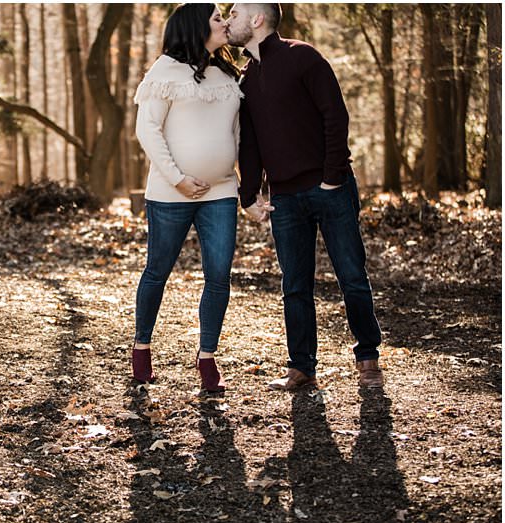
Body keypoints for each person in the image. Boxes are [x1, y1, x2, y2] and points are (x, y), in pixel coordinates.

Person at [225, 4, 384, 392]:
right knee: (295, 285)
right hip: (285, 199)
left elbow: (335, 116)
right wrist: (249, 195)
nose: (228, 19)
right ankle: (301, 368)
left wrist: (332, 176)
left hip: (330, 189)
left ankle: (368, 359)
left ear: (257, 19)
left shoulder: (303, 57)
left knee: (351, 276)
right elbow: (250, 145)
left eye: (234, 11)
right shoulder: (245, 80)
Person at [129, 3, 243, 395]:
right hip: (170, 193)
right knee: (157, 270)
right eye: (217, 18)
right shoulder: (164, 71)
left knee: (218, 274)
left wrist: (243, 181)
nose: (225, 23)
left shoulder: (227, 72)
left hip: (221, 191)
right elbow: (148, 131)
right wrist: (177, 179)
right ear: (196, 26)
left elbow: (237, 133)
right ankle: (142, 347)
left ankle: (207, 355)